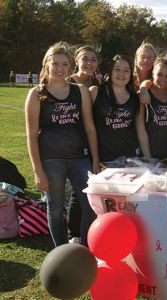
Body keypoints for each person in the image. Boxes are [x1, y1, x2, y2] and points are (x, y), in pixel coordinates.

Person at [25, 41, 100, 247]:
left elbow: (90, 128)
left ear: (70, 66)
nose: (59, 69)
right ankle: (62, 252)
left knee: (91, 205)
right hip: (51, 160)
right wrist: (38, 170)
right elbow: (31, 136)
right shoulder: (36, 93)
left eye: (64, 64)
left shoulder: (80, 90)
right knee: (56, 209)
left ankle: (84, 249)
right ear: (47, 64)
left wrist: (95, 159)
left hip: (80, 158)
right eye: (55, 64)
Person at [67, 44, 101, 244]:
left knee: (92, 187)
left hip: (95, 140)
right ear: (77, 61)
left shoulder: (97, 83)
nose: (89, 63)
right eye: (85, 59)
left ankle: (92, 230)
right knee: (77, 191)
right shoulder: (67, 82)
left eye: (93, 59)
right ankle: (74, 234)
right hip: (74, 143)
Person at [90, 55, 141, 162]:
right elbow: (89, 127)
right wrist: (95, 159)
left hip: (132, 158)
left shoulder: (135, 97)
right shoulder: (95, 92)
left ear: (131, 74)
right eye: (117, 69)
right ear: (110, 71)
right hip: (106, 159)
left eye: (126, 70)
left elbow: (141, 130)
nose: (121, 74)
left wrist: (147, 158)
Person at [137, 58, 167, 163]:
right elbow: (141, 129)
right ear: (153, 73)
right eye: (159, 74)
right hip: (150, 155)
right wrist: (148, 158)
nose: (163, 79)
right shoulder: (144, 95)